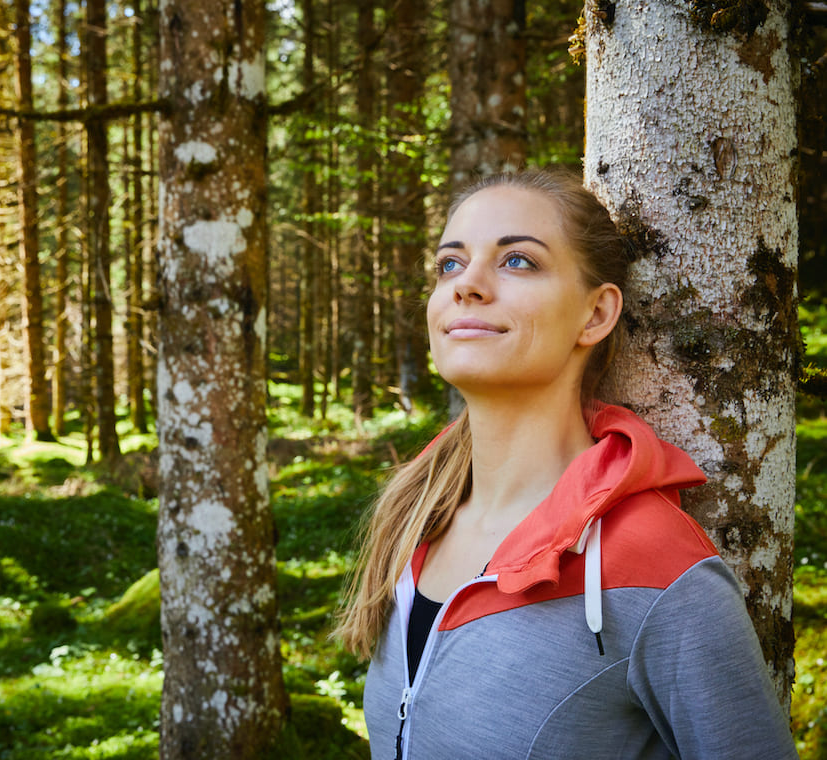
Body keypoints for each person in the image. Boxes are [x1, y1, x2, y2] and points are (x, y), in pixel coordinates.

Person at [334, 168, 798, 759]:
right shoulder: (414, 517)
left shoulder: (658, 567)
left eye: (518, 261)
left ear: (596, 314)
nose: (466, 285)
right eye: (450, 264)